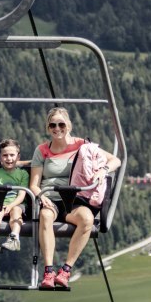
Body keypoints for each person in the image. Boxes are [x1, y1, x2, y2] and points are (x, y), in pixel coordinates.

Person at [29, 107, 121, 289]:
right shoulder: (42, 151)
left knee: (87, 219)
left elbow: (115, 161)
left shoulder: (82, 145)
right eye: (52, 125)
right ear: (48, 128)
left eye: (61, 124)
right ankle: (48, 270)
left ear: (68, 125)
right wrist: (40, 195)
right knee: (46, 216)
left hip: (75, 199)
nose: (57, 128)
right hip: (50, 197)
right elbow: (34, 183)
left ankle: (65, 270)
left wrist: (103, 171)